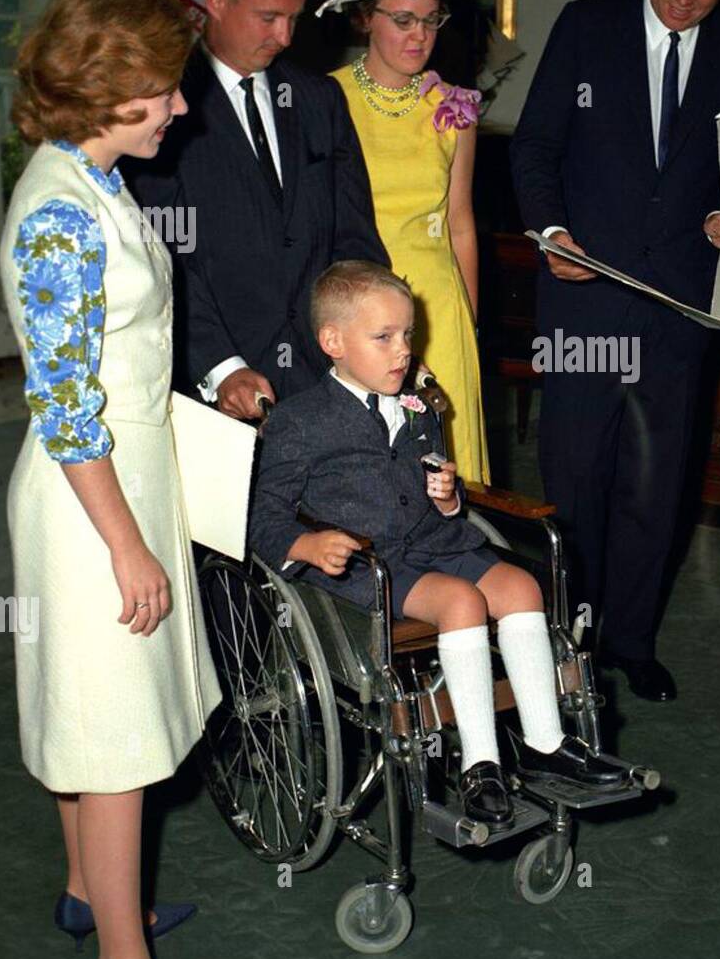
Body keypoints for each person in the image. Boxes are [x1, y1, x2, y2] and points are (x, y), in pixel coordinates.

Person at [0, 0, 222, 959]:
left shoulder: (94, 178)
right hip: (89, 499)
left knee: (98, 714)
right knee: (117, 737)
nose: (180, 106)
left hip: (123, 477)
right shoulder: (57, 213)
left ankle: (92, 890)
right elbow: (65, 405)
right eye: (166, 89)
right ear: (109, 86)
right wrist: (127, 546)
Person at [248, 260, 629, 825]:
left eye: (407, 335)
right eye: (383, 338)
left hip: (436, 542)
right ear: (333, 342)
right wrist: (305, 545)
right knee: (462, 603)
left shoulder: (419, 408)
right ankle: (481, 766)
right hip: (366, 563)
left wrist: (448, 496)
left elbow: (437, 490)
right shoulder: (301, 422)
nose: (403, 350)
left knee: (523, 587)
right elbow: (261, 516)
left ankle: (545, 747)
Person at [510, 0, 720, 701]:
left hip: (678, 308)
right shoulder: (586, 28)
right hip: (585, 296)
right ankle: (565, 639)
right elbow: (535, 146)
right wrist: (550, 234)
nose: (684, 1)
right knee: (574, 474)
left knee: (655, 482)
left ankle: (629, 640)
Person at [122, 0, 389, 417]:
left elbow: (356, 238)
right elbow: (164, 256)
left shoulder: (320, 99)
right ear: (216, 1)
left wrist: (370, 341)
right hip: (218, 389)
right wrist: (222, 366)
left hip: (325, 376)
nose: (285, 37)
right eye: (268, 17)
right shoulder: (164, 107)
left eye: (294, 18)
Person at [318, 0, 490, 482]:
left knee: (444, 478)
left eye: (431, 19)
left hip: (437, 309)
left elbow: (461, 224)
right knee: (369, 475)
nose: (420, 37)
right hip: (357, 309)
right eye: (402, 20)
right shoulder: (325, 98)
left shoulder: (454, 110)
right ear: (366, 17)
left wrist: (470, 324)